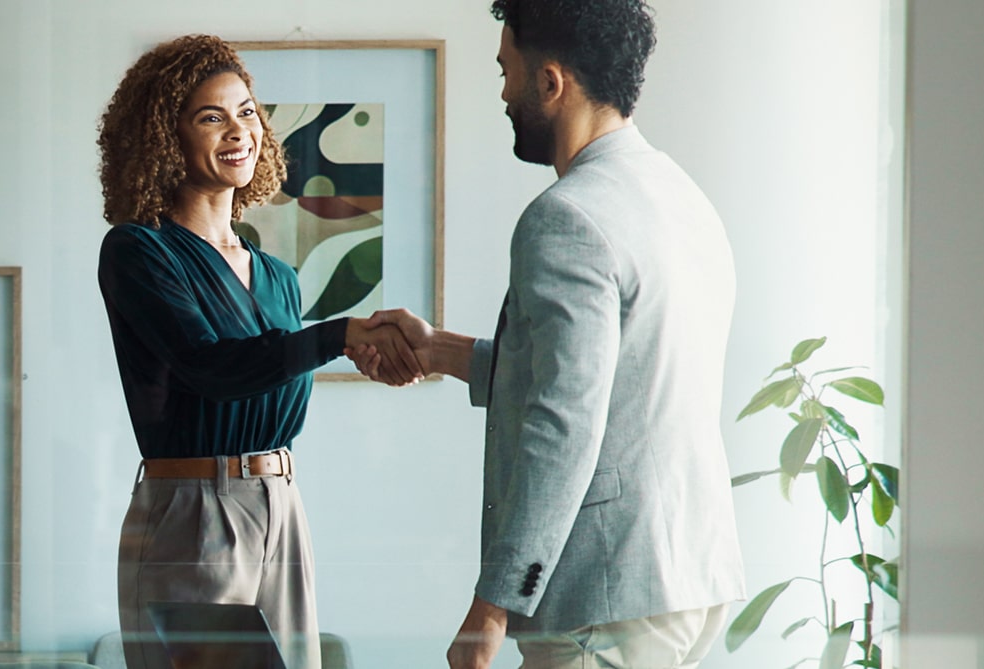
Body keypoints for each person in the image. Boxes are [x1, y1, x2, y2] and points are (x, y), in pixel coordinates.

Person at [350, 2, 745, 667]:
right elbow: (617, 380)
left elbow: (565, 421)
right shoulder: (678, 195)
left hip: (604, 591)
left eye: (507, 71)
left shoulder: (566, 218)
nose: (503, 91)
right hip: (685, 576)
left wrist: (492, 605)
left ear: (551, 82)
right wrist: (440, 351)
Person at [96, 34, 425, 669]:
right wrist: (338, 335)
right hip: (195, 509)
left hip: (281, 500)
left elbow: (275, 379)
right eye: (210, 117)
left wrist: (370, 354)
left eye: (246, 112)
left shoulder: (278, 276)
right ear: (166, 135)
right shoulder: (139, 251)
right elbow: (212, 369)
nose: (238, 131)